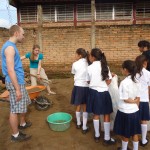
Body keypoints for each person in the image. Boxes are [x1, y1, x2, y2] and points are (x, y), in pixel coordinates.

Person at [1, 25, 32, 142]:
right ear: (16, 33)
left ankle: (22, 123)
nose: (24, 36)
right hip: (15, 84)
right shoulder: (10, 48)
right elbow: (10, 70)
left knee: (22, 105)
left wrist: (21, 73)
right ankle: (15, 135)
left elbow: (14, 66)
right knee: (14, 109)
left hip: (18, 81)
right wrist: (17, 89)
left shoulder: (11, 46)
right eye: (23, 34)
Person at [86, 48, 116, 145]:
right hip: (104, 93)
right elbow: (108, 80)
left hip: (93, 93)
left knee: (96, 114)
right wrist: (103, 85)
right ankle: (107, 138)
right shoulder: (105, 66)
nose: (89, 57)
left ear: (93, 57)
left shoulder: (89, 67)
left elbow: (88, 81)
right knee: (106, 114)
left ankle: (97, 135)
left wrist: (95, 83)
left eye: (90, 55)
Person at [113, 60, 141, 150]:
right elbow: (138, 97)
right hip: (134, 111)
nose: (121, 70)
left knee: (125, 134)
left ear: (125, 69)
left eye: (122, 69)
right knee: (134, 133)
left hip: (125, 112)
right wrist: (136, 103)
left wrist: (133, 101)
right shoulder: (137, 81)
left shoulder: (124, 82)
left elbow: (125, 99)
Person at [71, 48, 89, 134]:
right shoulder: (89, 64)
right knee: (85, 106)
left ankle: (78, 123)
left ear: (80, 55)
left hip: (78, 86)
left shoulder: (75, 64)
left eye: (76, 54)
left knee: (78, 105)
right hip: (86, 87)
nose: (75, 56)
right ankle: (84, 127)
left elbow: (73, 73)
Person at [135, 55, 150, 147]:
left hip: (134, 100)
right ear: (145, 63)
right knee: (144, 119)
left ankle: (134, 138)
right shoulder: (148, 73)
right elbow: (149, 88)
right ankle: (143, 140)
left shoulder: (134, 73)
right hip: (144, 99)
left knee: (135, 119)